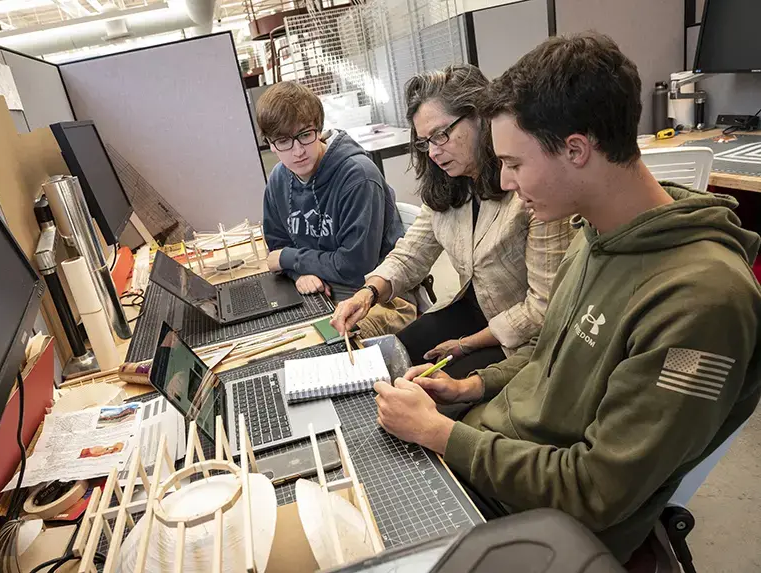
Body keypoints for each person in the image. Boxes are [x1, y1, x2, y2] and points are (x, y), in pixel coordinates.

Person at [370, 33, 761, 565]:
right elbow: (551, 351)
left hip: (539, 517)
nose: (504, 180)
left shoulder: (703, 302)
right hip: (496, 455)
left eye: (513, 163)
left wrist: (442, 436)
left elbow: (597, 490)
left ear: (576, 149)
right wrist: (470, 385)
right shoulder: (594, 235)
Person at [331, 64, 574, 378]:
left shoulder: (528, 192)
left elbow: (543, 306)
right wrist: (367, 295)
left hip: (521, 336)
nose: (433, 152)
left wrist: (466, 345)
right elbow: (411, 255)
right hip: (473, 311)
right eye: (425, 142)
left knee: (425, 389)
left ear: (479, 118)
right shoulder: (452, 185)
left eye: (441, 135)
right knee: (389, 362)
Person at [257, 81, 416, 337]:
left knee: (324, 349)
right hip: (321, 292)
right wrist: (298, 273)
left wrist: (290, 259)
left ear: (319, 130)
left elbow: (355, 267)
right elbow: (277, 245)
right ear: (270, 144)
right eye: (283, 141)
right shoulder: (278, 179)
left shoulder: (358, 177)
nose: (297, 151)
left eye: (305, 135)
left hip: (377, 298)